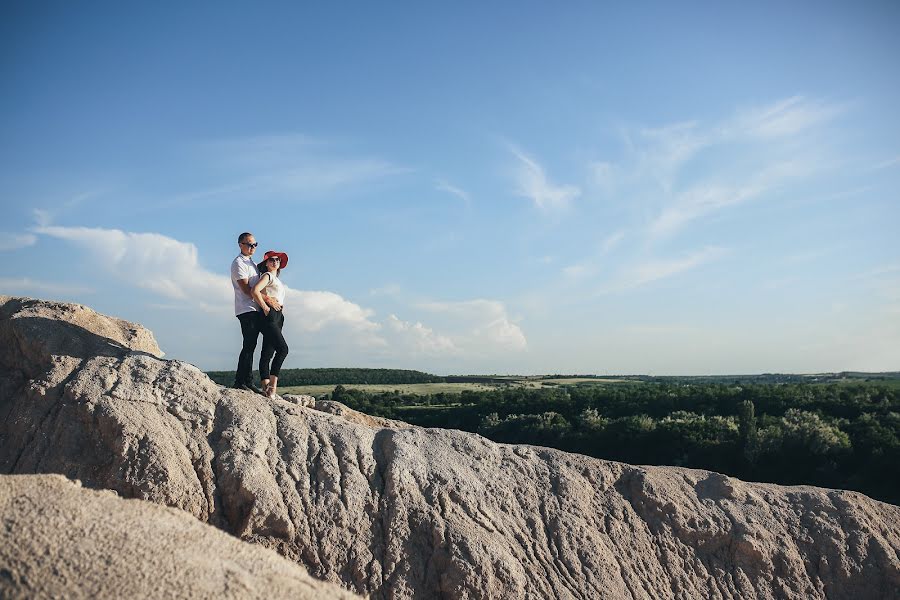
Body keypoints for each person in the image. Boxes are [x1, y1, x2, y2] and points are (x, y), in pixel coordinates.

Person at [230, 232, 280, 394]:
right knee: (249, 345)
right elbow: (246, 290)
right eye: (249, 244)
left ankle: (246, 380)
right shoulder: (238, 263)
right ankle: (242, 381)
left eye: (255, 245)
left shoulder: (252, 263)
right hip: (246, 309)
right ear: (240, 245)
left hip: (255, 309)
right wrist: (268, 300)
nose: (253, 247)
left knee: (252, 345)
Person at [252, 250, 290, 398]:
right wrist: (266, 306)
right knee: (283, 349)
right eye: (272, 260)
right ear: (266, 263)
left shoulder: (277, 280)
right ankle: (273, 388)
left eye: (277, 260)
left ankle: (266, 389)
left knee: (268, 353)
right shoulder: (267, 276)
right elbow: (254, 290)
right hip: (269, 315)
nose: (275, 262)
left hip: (278, 315)